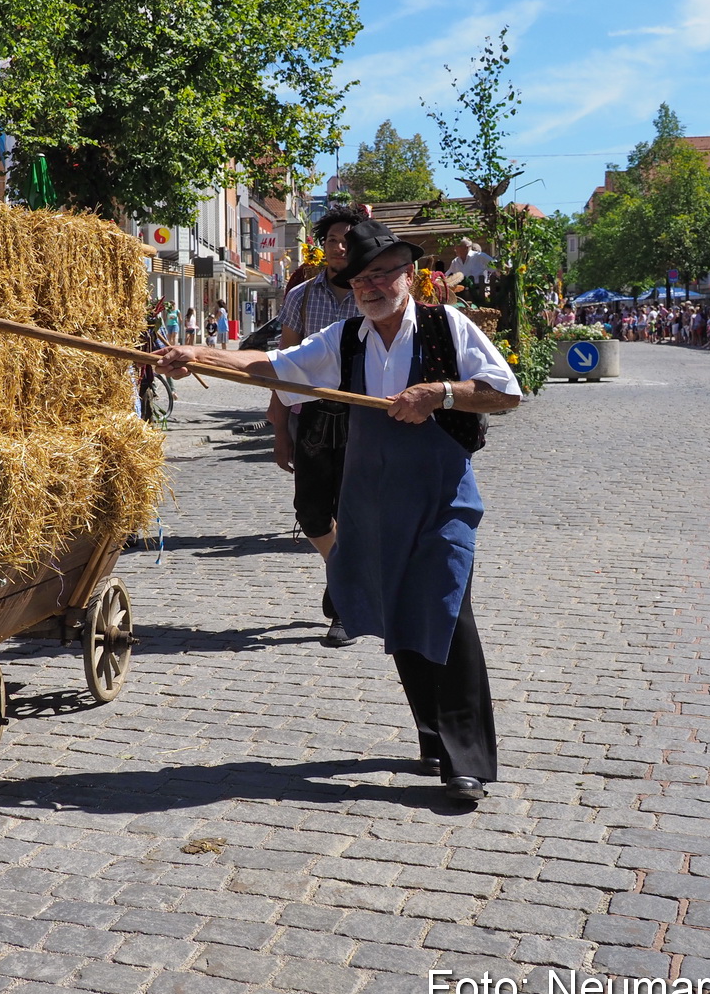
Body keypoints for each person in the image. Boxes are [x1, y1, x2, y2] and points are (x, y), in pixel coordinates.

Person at [155, 221, 521, 801]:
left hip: (441, 500)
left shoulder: (445, 326)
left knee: (448, 610)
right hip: (371, 504)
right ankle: (434, 733)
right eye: (361, 279)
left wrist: (440, 394)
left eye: (383, 274)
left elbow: (505, 393)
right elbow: (273, 366)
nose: (372, 286)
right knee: (401, 616)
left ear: (409, 276)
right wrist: (198, 354)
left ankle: (465, 760)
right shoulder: (345, 339)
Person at [267, 204, 365, 644]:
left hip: (366, 418)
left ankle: (344, 603)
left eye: (347, 240)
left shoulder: (376, 292)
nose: (339, 248)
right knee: (310, 511)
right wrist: (278, 428)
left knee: (353, 511)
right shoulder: (301, 296)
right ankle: (343, 571)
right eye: (330, 241)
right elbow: (282, 366)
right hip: (313, 419)